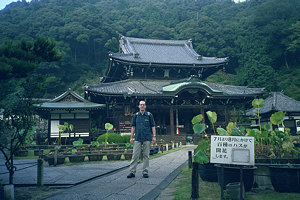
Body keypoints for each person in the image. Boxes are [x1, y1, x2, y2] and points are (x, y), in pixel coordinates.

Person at [127, 100, 156, 178]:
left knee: (146, 155)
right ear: (139, 106)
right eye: (141, 105)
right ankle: (132, 172)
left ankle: (145, 172)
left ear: (145, 106)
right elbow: (133, 127)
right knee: (135, 155)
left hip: (147, 138)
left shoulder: (149, 115)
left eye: (143, 104)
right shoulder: (135, 115)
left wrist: (154, 136)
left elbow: (153, 126)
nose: (142, 106)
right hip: (138, 138)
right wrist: (131, 137)